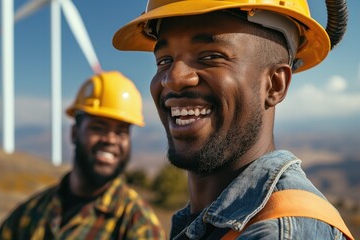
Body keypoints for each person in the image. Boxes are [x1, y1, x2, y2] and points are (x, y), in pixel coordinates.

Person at [113, 0, 354, 239]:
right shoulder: (208, 223)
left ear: (274, 85)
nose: (173, 78)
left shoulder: (281, 232)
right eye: (164, 60)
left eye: (210, 56)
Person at [0, 71, 166, 239]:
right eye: (98, 128)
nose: (110, 140)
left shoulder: (140, 226)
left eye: (121, 132)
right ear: (74, 133)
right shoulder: (28, 215)